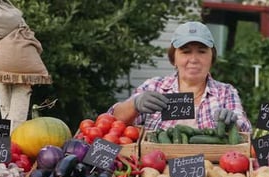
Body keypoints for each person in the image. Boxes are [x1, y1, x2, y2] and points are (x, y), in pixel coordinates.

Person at [108, 21, 252, 133]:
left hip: (211, 168)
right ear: (174, 59)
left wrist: (232, 124)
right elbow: (112, 121)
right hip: (157, 168)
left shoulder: (226, 92)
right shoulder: (154, 86)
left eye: (201, 52)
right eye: (186, 52)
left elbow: (245, 130)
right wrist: (135, 105)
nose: (194, 59)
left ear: (211, 58)